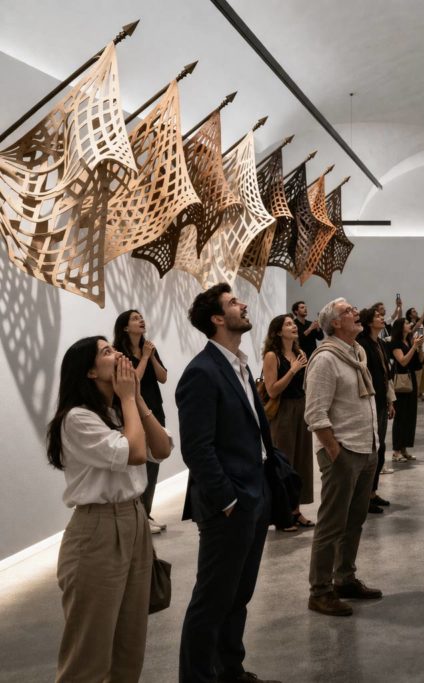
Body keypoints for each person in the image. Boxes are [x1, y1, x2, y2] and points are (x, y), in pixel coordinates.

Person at [49, 336, 173, 682]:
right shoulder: (77, 418)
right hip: (97, 529)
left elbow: (161, 449)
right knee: (88, 657)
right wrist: (128, 399)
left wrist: (136, 398)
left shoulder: (120, 410)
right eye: (107, 352)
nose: (118, 354)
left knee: (128, 649)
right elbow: (135, 453)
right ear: (90, 372)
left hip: (134, 520)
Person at [178, 283, 280, 683]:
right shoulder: (201, 372)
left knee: (238, 594)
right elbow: (196, 449)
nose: (243, 305)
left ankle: (230, 671)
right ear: (218, 319)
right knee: (211, 599)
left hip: (254, 495)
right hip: (229, 505)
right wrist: (227, 500)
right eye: (233, 302)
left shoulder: (240, 365)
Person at [304, 298, 383, 617]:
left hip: (366, 448)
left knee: (354, 521)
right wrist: (335, 452)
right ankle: (320, 591)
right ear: (335, 323)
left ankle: (344, 579)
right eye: (349, 311)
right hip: (343, 452)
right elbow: (315, 413)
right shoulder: (326, 359)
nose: (356, 312)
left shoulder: (356, 353)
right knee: (332, 524)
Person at [113, 309, 169, 535]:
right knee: (139, 466)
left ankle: (147, 513)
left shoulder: (149, 348)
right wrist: (144, 357)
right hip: (134, 413)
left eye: (141, 317)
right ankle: (140, 516)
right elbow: (133, 380)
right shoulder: (120, 354)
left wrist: (151, 356)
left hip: (155, 411)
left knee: (154, 463)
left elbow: (163, 377)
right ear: (125, 327)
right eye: (135, 319)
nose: (141, 320)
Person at [261, 314, 313, 531]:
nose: (293, 326)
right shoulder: (272, 356)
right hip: (283, 411)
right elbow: (272, 390)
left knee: (302, 461)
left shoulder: (300, 353)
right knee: (284, 463)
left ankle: (296, 511)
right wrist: (293, 370)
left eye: (293, 323)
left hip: (302, 408)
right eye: (288, 324)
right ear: (278, 331)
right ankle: (282, 516)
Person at [357, 307, 397, 513]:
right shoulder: (362, 344)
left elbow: (386, 374)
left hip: (381, 402)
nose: (382, 318)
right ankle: (364, 497)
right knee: (371, 450)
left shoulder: (380, 343)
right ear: (369, 322)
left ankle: (372, 492)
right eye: (378, 316)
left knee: (380, 448)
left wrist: (391, 401)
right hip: (369, 403)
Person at [390, 318, 424, 461]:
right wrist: (414, 347)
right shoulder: (395, 343)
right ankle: (396, 451)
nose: (409, 325)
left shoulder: (410, 342)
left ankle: (404, 448)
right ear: (400, 327)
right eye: (406, 323)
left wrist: (419, 347)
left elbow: (419, 362)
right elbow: (403, 361)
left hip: (411, 380)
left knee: (410, 416)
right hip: (400, 381)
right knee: (400, 416)